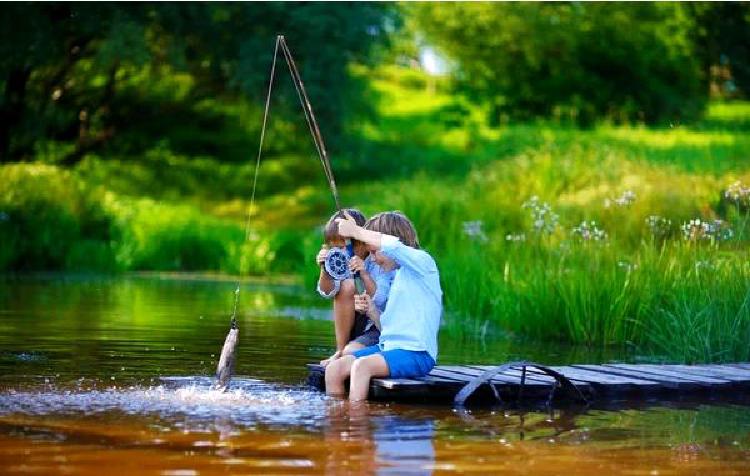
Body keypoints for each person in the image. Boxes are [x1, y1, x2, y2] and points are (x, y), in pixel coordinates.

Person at [325, 211, 442, 401]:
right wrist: (372, 311)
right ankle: (338, 422)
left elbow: (392, 244)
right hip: (388, 348)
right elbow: (386, 330)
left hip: (417, 354)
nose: (373, 259)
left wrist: (355, 231)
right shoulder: (398, 278)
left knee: (361, 366)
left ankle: (356, 425)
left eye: (374, 252)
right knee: (335, 369)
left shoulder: (423, 264)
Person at [316, 209, 395, 367]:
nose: (340, 252)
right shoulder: (339, 260)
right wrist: (325, 269)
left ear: (362, 243)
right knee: (346, 286)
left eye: (345, 247)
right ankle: (339, 350)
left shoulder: (379, 259)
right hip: (357, 323)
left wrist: (364, 274)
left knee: (350, 353)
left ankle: (345, 352)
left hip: (378, 326)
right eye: (335, 247)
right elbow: (327, 291)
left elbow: (380, 299)